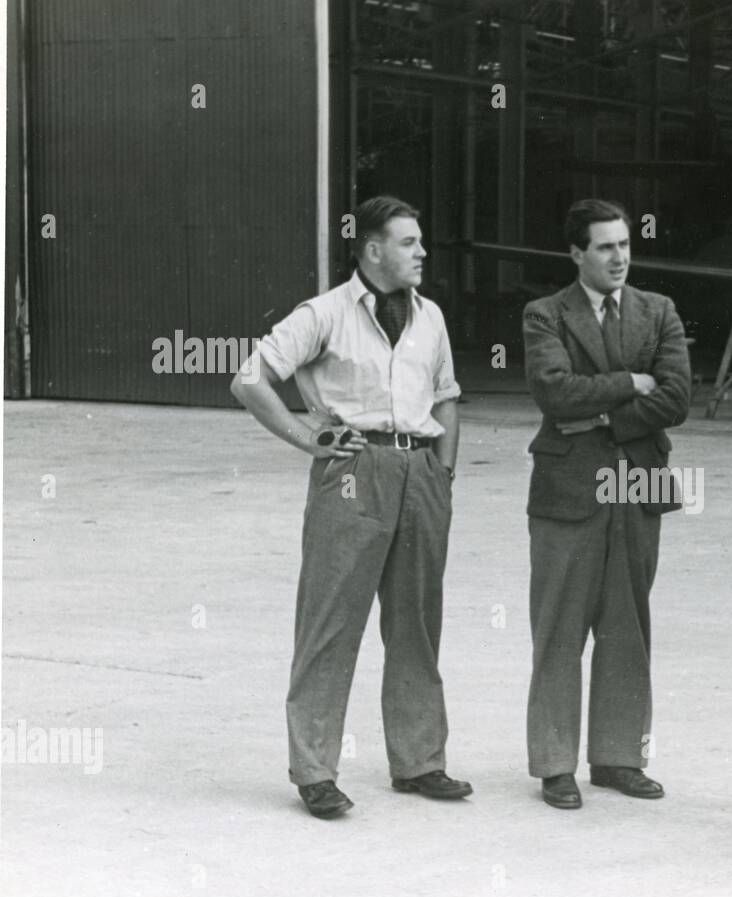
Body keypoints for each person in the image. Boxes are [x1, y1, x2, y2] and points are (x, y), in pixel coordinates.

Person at [230, 195, 470, 819]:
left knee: (416, 621)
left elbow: (446, 395)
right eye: (409, 242)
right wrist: (309, 439)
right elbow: (249, 378)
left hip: (420, 473)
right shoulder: (325, 314)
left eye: (421, 241)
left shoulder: (431, 318)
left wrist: (442, 472)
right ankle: (314, 771)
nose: (422, 253)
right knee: (331, 622)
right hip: (353, 473)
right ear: (372, 249)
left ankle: (420, 762)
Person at [521, 198, 691, 810]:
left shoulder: (659, 310)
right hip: (568, 490)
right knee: (560, 626)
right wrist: (628, 385)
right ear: (576, 253)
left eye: (624, 245)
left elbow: (675, 398)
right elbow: (552, 391)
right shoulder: (544, 314)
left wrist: (597, 415)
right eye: (604, 247)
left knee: (628, 624)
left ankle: (618, 758)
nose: (619, 257)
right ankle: (555, 763)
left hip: (639, 485)